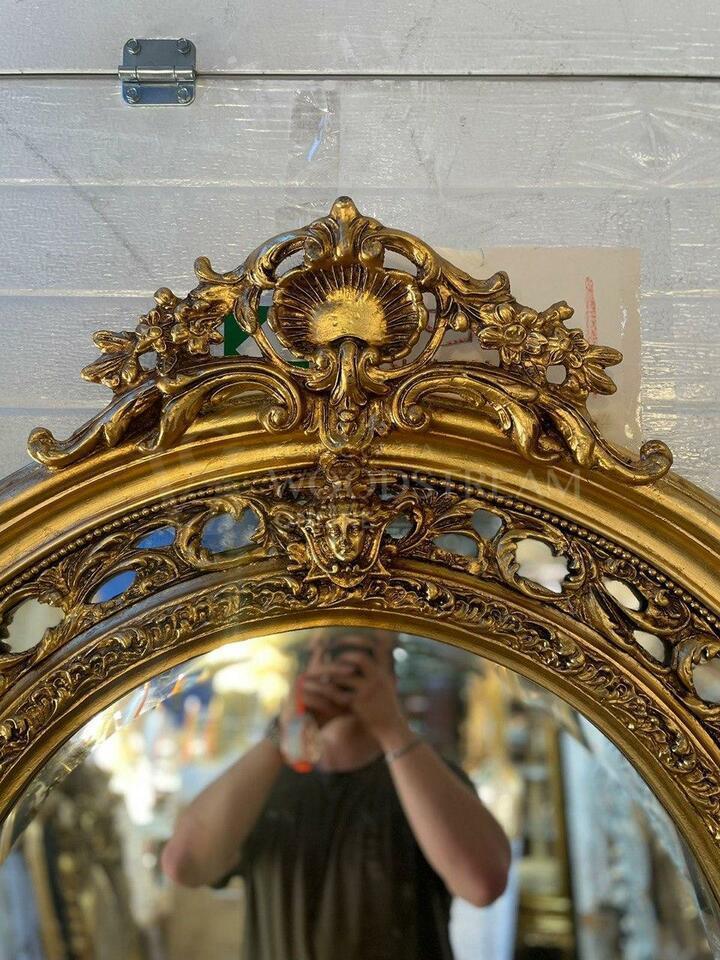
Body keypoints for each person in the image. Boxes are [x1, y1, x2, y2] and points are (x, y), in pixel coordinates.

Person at [161, 630, 511, 960]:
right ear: (309, 658)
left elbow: (483, 884)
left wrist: (392, 728)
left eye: (364, 652)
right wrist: (283, 731)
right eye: (334, 649)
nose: (346, 666)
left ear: (390, 668)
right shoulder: (265, 783)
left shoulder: (426, 779)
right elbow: (184, 864)